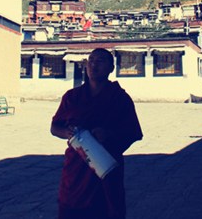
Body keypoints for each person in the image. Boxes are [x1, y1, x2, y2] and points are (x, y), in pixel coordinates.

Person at [51, 48, 143, 219]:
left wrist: (108, 135)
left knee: (106, 210)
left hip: (106, 167)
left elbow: (133, 132)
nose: (93, 65)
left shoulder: (119, 98)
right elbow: (54, 127)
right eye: (91, 61)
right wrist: (66, 132)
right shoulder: (72, 96)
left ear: (111, 68)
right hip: (76, 168)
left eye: (100, 61)